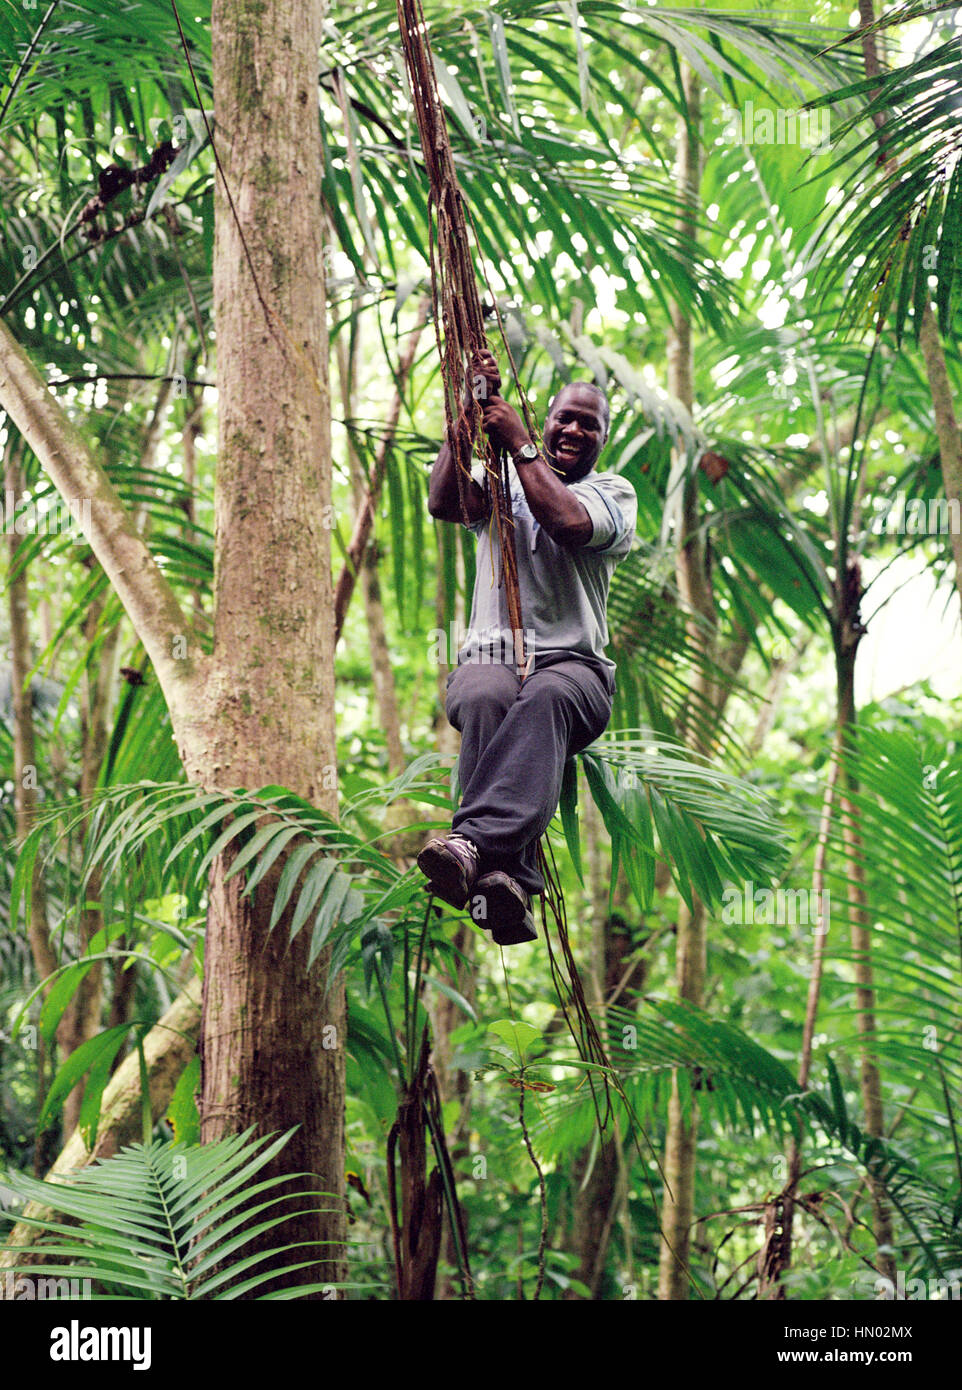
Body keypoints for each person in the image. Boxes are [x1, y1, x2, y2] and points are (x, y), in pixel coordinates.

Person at [419, 349, 637, 945]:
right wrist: (465, 419)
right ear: (548, 419)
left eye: (588, 424)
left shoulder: (611, 493)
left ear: (602, 440)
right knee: (485, 694)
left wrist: (517, 442)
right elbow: (444, 502)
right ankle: (505, 882)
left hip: (576, 670)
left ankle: (470, 846)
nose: (573, 429)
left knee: (543, 695)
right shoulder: (502, 484)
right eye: (564, 417)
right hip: (490, 657)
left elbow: (566, 522)